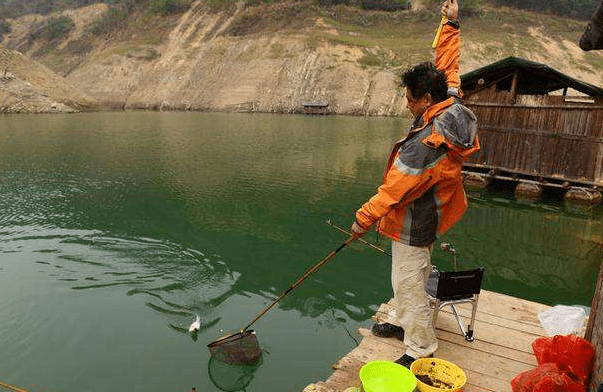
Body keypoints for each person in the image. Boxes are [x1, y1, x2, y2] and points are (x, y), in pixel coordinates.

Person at [350, 0, 480, 368]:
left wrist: (363, 219)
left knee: (408, 282)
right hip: (434, 211)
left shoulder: (427, 144)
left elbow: (394, 189)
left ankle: (420, 347)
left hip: (416, 218)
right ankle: (399, 320)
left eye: (409, 99)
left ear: (425, 99)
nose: (406, 104)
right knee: (416, 271)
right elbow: (448, 66)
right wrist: (450, 24)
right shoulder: (449, 103)